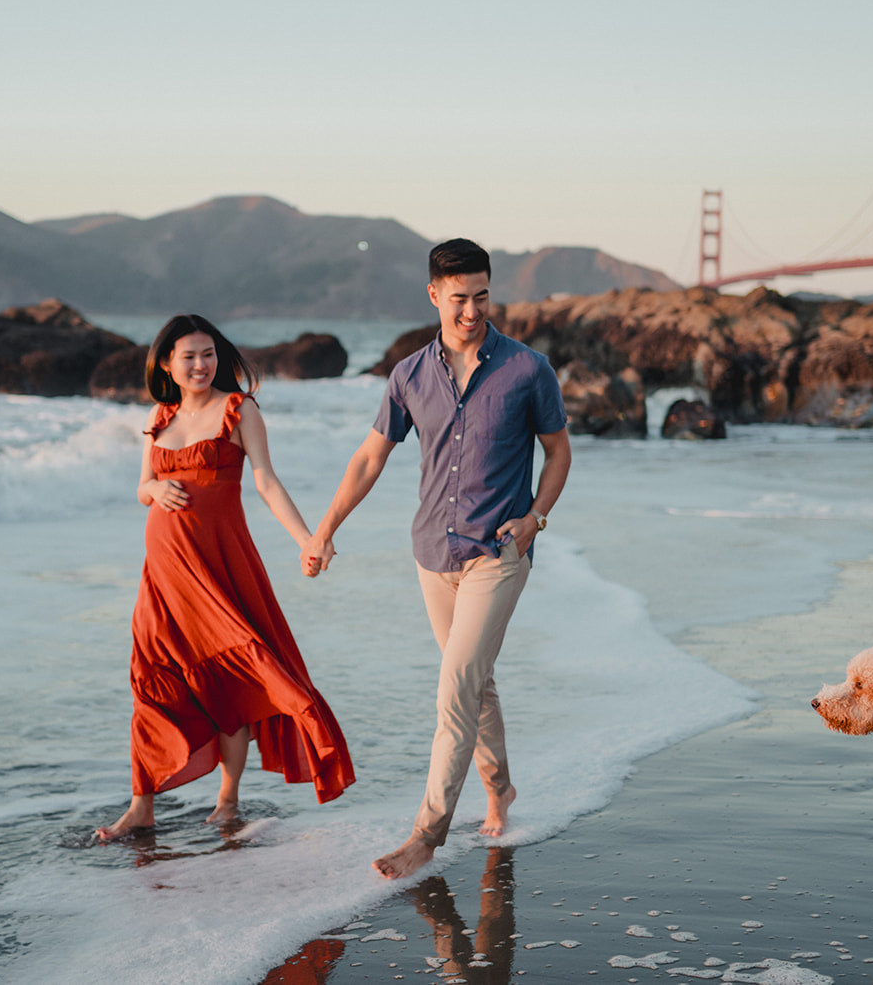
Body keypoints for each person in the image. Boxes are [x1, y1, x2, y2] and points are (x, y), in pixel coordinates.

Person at [302, 238, 571, 879]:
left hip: (500, 553)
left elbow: (558, 453)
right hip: (431, 553)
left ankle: (426, 833)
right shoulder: (408, 375)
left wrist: (535, 518)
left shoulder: (528, 370)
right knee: (474, 685)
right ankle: (500, 791)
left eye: (482, 296)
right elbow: (370, 458)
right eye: (459, 298)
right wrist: (325, 529)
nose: (473, 310)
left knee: (455, 687)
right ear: (433, 295)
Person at [96, 314, 355, 841]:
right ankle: (141, 806)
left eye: (208, 353)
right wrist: (155, 492)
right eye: (188, 356)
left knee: (232, 674)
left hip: (219, 563)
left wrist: (307, 538)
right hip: (165, 569)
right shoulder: (159, 414)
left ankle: (227, 801)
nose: (200, 364)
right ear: (167, 363)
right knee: (152, 677)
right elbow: (143, 484)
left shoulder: (239, 409)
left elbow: (266, 481)